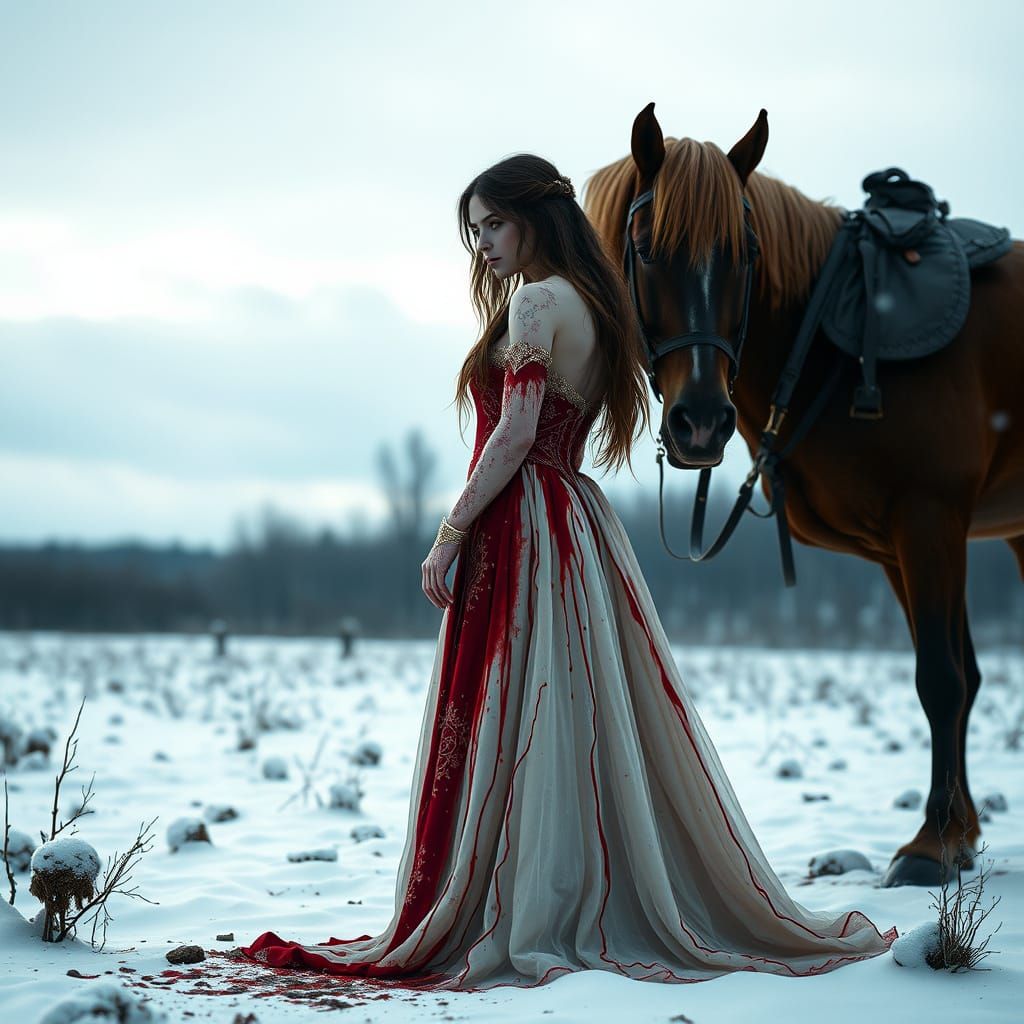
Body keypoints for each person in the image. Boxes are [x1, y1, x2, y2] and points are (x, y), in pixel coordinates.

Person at [240, 154, 898, 991]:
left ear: (536, 220)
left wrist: (450, 530)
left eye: (493, 226)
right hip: (575, 520)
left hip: (523, 518)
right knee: (569, 707)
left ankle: (522, 900)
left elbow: (514, 433)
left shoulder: (536, 302)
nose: (481, 246)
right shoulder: (595, 307)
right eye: (473, 232)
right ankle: (557, 884)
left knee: (518, 703)